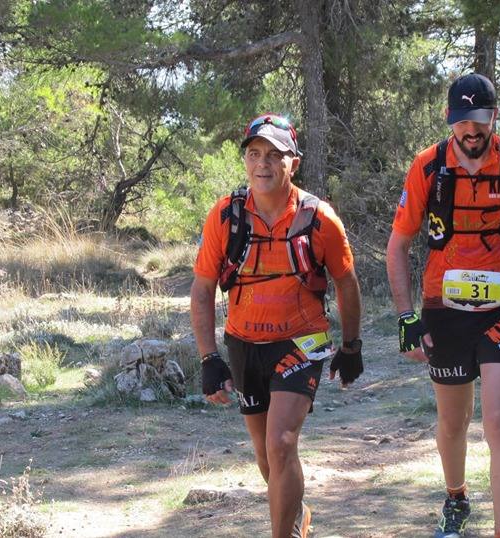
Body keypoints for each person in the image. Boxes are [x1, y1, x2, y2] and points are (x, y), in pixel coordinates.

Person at [385, 73, 500, 538]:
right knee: (452, 421)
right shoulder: (427, 167)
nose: (471, 132)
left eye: (480, 121)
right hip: (443, 310)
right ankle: (456, 497)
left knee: (499, 419)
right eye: (462, 122)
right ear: (450, 120)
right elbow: (397, 247)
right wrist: (406, 318)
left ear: (494, 117)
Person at [190, 113, 363, 538]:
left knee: (281, 443)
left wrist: (352, 345)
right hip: (244, 342)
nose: (262, 164)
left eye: (273, 155)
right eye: (254, 154)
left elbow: (346, 282)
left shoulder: (320, 219)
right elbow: (202, 289)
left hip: (301, 342)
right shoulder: (225, 216)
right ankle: (297, 518)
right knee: (268, 459)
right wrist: (209, 358)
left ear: (294, 162)